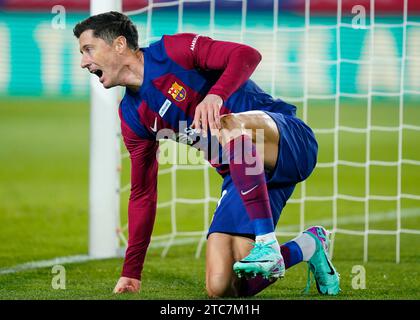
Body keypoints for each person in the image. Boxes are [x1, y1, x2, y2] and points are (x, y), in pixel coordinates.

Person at [73, 11, 341, 297]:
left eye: (88, 50)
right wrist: (131, 271)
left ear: (119, 44)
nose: (83, 62)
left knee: (227, 123)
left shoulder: (171, 52)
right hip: (244, 176)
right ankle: (310, 245)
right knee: (222, 286)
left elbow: (247, 54)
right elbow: (142, 194)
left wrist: (217, 94)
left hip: (286, 141)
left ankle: (266, 242)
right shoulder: (132, 116)